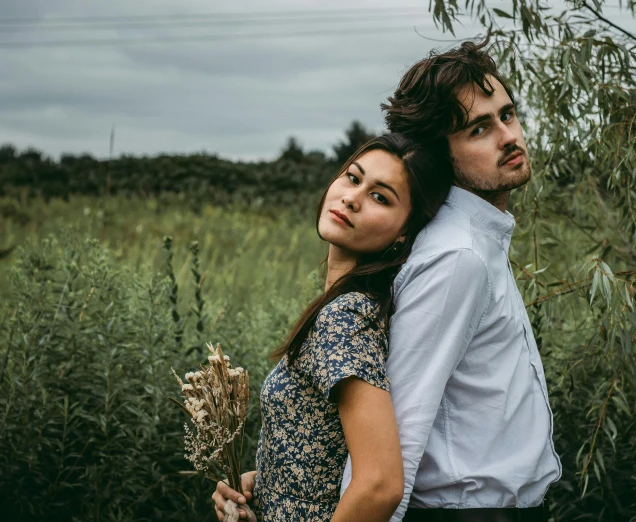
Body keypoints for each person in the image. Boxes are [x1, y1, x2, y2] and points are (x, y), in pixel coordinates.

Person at [340, 39, 562, 522]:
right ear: (441, 156)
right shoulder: (456, 256)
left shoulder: (478, 238)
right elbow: (398, 433)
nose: (508, 136)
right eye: (479, 129)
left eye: (507, 115)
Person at [211, 133, 451, 521]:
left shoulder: (345, 317)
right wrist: (267, 486)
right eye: (353, 178)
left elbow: (380, 485)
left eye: (381, 197)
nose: (352, 198)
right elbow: (331, 458)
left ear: (405, 231)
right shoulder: (351, 308)